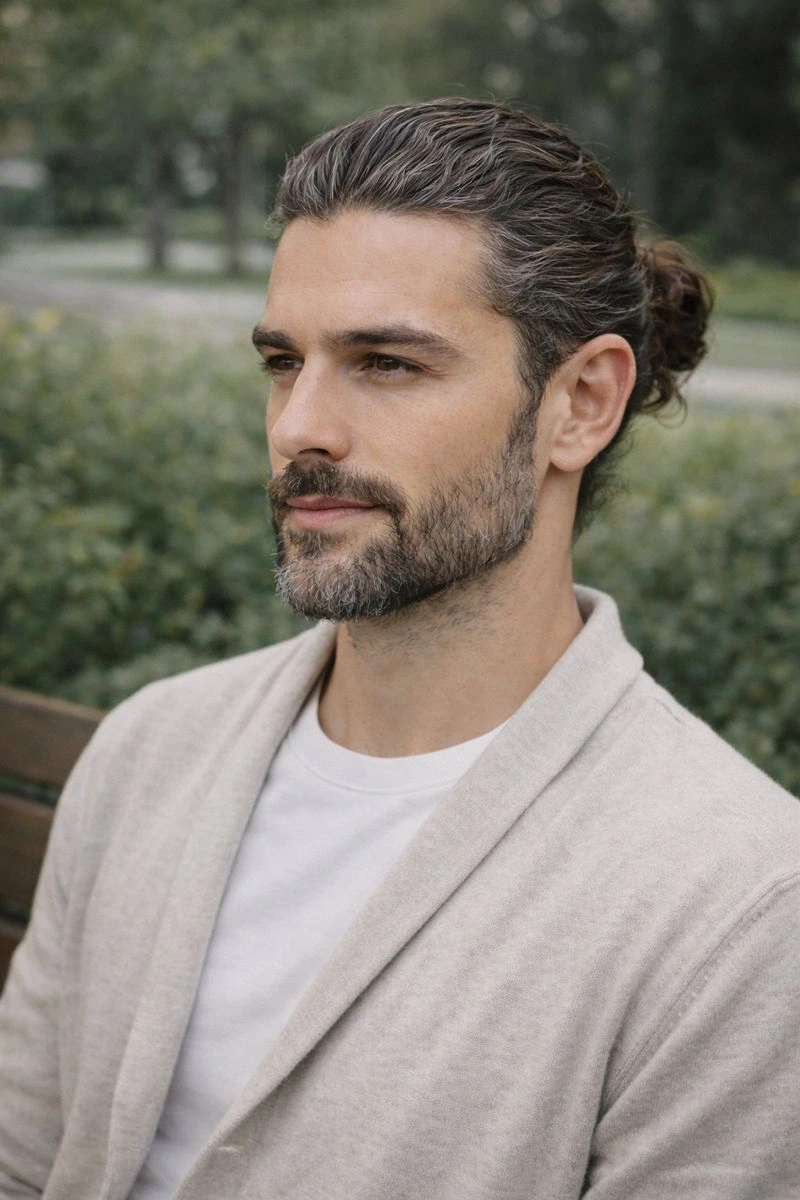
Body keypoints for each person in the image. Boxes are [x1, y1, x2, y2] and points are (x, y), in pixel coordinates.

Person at [1, 98, 798, 1200]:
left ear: (580, 403)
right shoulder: (151, 752)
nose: (299, 426)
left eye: (385, 363)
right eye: (284, 361)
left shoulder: (739, 904)